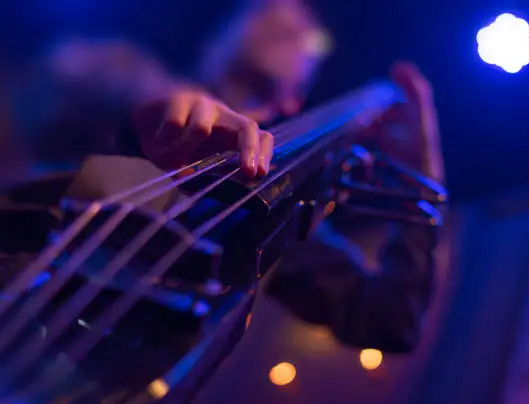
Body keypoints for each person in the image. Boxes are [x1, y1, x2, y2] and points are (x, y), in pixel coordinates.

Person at [8, 0, 445, 351]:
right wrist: (148, 113)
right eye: (265, 7)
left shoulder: (263, 203)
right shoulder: (122, 68)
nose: (291, 14)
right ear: (220, 39)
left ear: (294, 100)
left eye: (312, 36)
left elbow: (390, 320)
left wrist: (421, 175)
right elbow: (40, 94)